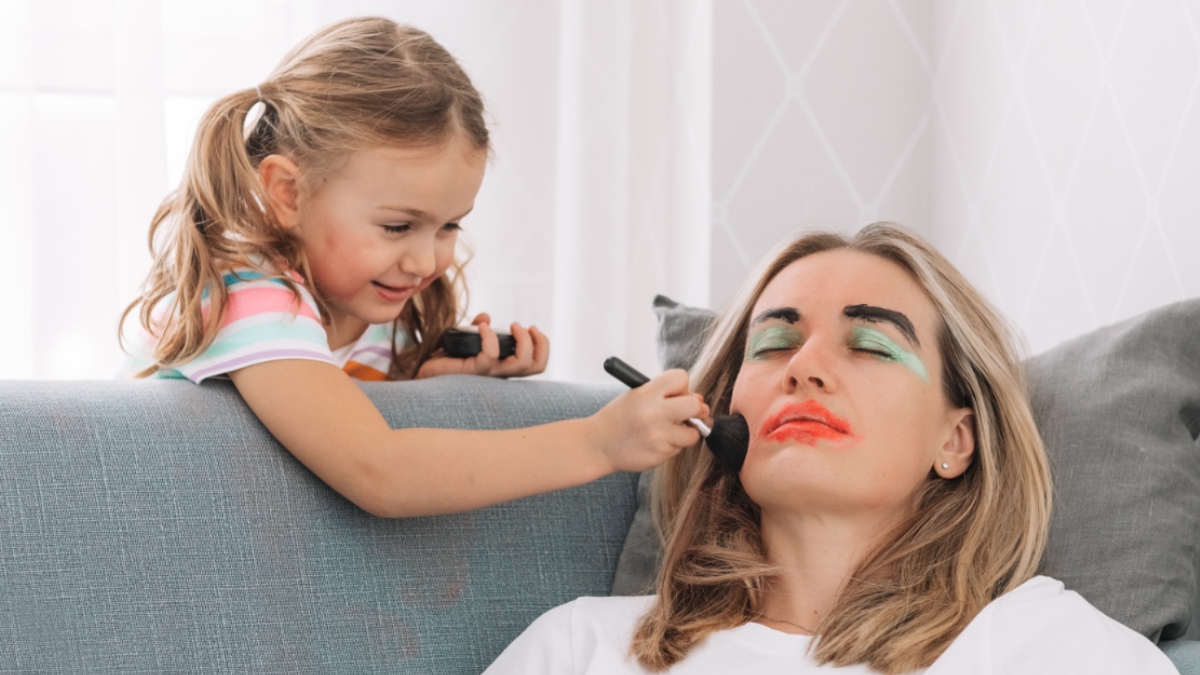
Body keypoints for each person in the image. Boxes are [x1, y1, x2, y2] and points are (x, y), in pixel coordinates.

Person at [486, 223, 1178, 673]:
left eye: (872, 345)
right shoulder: (580, 648)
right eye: (775, 343)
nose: (804, 367)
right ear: (720, 415)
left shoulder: (1059, 649)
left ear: (956, 438)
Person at [121, 17, 707, 518]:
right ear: (288, 193)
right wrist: (599, 442)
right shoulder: (245, 296)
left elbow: (338, 420)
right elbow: (380, 470)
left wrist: (426, 390)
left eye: (450, 226)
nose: (429, 260)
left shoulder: (376, 318)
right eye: (398, 227)